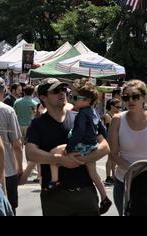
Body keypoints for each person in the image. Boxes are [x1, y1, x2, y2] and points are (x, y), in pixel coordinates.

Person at [25, 78, 110, 216]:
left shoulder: (82, 115)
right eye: (56, 91)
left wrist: (82, 159)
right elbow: (31, 153)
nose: (62, 93)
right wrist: (59, 159)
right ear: (43, 97)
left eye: (64, 89)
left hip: (85, 192)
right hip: (55, 198)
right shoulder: (37, 124)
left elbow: (105, 146)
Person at [108, 80, 147, 216]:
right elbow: (113, 154)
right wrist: (133, 171)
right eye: (125, 97)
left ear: (144, 98)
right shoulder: (117, 119)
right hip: (124, 181)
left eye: (135, 96)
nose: (130, 100)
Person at [0, 77, 23, 215]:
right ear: (3, 91)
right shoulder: (7, 111)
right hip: (7, 168)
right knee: (8, 208)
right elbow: (16, 144)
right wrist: (19, 166)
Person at [101, 98, 121, 186]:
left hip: (117, 139)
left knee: (115, 158)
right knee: (110, 158)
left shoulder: (118, 115)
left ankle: (113, 176)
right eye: (117, 106)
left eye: (120, 107)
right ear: (111, 106)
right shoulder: (107, 116)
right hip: (109, 139)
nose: (119, 108)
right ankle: (108, 177)